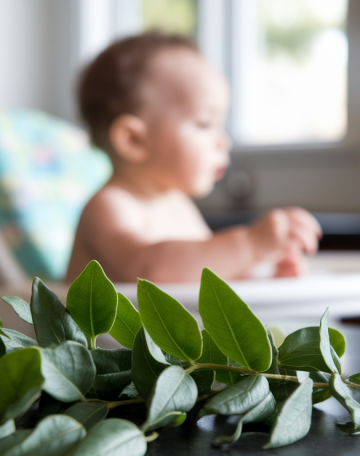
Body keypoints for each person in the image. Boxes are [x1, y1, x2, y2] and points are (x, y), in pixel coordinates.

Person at [65, 32, 322, 283]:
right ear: (135, 140)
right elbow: (149, 271)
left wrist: (259, 274)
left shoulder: (179, 205)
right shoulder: (110, 206)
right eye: (204, 124)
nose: (223, 141)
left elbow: (203, 277)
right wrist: (249, 245)